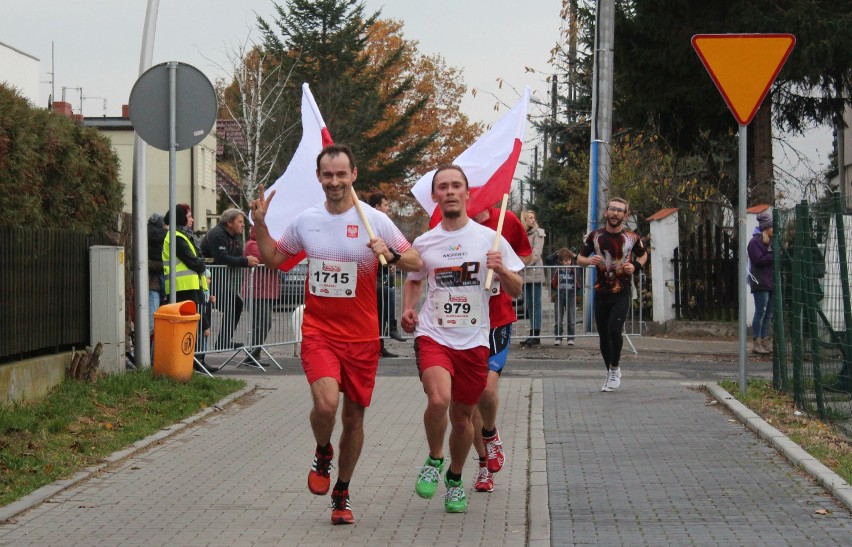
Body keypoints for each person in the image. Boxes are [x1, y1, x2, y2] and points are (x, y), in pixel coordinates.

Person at [249, 144, 422, 525]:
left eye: (341, 174)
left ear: (354, 175)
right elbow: (275, 260)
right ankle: (323, 450)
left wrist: (390, 254)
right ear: (319, 178)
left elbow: (416, 261)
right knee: (326, 406)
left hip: (361, 337)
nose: (334, 182)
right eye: (328, 175)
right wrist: (259, 224)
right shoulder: (306, 221)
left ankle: (342, 491)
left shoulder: (374, 219)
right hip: (320, 332)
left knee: (355, 420)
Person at [402, 164, 524, 513]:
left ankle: (455, 478)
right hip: (434, 335)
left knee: (462, 417)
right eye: (444, 187)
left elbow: (516, 289)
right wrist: (409, 309)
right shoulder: (425, 242)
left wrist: (500, 268)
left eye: (457, 186)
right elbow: (413, 278)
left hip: (474, 341)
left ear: (468, 194)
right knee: (439, 400)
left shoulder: (489, 239)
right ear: (436, 196)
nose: (451, 191)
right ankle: (435, 458)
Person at [469, 205, 532, 493]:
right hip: (462, 324)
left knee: (486, 390)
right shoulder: (447, 223)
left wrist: (503, 269)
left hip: (497, 321)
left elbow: (525, 256)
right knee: (468, 403)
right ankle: (484, 466)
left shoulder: (506, 218)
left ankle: (491, 433)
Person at [577, 197, 647, 392]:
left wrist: (635, 266)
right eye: (612, 209)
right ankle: (610, 371)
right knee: (603, 335)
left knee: (614, 330)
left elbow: (643, 254)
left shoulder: (632, 237)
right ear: (606, 212)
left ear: (625, 216)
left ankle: (614, 370)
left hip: (622, 292)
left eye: (619, 210)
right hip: (601, 292)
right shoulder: (595, 236)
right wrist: (590, 261)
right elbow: (580, 257)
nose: (615, 213)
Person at [201, 208, 260, 351]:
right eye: (239, 222)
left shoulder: (233, 236)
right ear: (229, 223)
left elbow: (237, 254)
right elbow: (222, 258)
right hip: (208, 281)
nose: (243, 225)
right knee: (229, 305)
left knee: (235, 304)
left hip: (220, 280)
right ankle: (204, 351)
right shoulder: (218, 235)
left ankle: (223, 341)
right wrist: (245, 262)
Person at [161, 204, 208, 372]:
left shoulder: (182, 235)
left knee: (191, 327)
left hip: (187, 288)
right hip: (182, 288)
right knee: (185, 328)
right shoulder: (176, 237)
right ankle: (185, 362)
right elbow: (193, 261)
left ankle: (192, 361)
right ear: (181, 219)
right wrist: (202, 264)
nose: (192, 220)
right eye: (189, 216)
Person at [368, 192, 405, 359]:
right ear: (377, 207)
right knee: (387, 294)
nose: (388, 209)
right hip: (369, 277)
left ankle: (380, 344)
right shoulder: (369, 224)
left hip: (382, 274)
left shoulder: (384, 226)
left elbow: (393, 250)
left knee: (382, 308)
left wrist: (391, 261)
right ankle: (391, 328)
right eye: (385, 205)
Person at [242, 226, 280, 364]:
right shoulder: (253, 245)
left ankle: (254, 355)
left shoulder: (264, 244)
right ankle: (252, 355)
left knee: (263, 324)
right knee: (263, 324)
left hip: (265, 292)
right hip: (256, 291)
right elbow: (270, 259)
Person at [748, 211, 774, 356]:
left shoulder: (770, 241)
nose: (774, 229)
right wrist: (772, 254)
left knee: (768, 313)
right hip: (761, 283)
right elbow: (759, 260)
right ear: (766, 227)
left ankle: (765, 340)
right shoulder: (754, 243)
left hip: (771, 283)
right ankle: (756, 342)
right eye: (772, 226)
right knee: (761, 311)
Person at [520, 209, 546, 347]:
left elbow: (536, 253)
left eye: (534, 217)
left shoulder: (538, 233)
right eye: (530, 218)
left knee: (536, 303)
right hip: (525, 273)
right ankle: (532, 333)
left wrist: (522, 263)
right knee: (529, 303)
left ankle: (536, 334)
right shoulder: (522, 234)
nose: (533, 220)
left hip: (534, 271)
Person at [551, 248, 578, 347]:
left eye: (569, 260)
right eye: (566, 260)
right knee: (558, 317)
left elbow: (579, 259)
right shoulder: (557, 267)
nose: (568, 262)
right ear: (561, 261)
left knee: (571, 317)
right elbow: (548, 260)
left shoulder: (574, 267)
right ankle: (558, 337)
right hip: (559, 293)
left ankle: (571, 338)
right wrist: (557, 253)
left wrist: (574, 255)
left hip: (571, 293)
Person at [147, 212, 167, 341]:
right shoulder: (165, 235)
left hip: (152, 284)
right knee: (154, 324)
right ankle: (149, 356)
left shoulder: (144, 235)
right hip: (155, 286)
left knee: (153, 323)